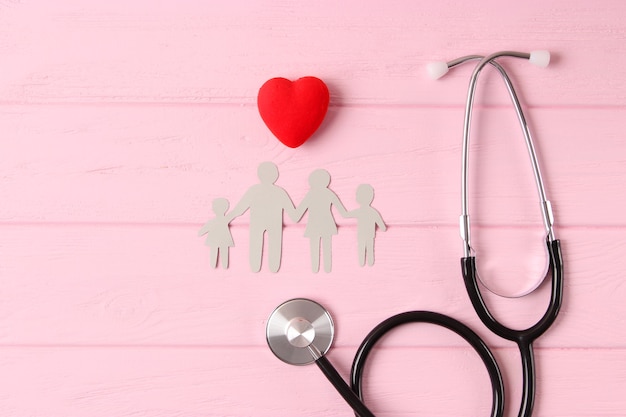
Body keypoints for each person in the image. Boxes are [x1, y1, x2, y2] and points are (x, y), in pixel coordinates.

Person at [228, 162, 297, 272]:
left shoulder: (254, 190)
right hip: (273, 224)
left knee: (257, 243)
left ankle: (258, 267)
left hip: (259, 223)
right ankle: (271, 267)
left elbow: (239, 209)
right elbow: (294, 215)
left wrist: (226, 218)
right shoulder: (279, 192)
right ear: (276, 175)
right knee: (274, 244)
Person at [294, 169, 348, 273]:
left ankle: (315, 268)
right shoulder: (329, 193)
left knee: (314, 247)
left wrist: (293, 215)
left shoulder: (311, 193)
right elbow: (342, 211)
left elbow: (299, 211)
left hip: (314, 224)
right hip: (327, 223)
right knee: (327, 247)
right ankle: (326, 269)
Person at [347, 184, 386, 266]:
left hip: (362, 235)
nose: (356, 197)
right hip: (369, 235)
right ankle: (369, 262)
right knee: (370, 249)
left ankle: (362, 263)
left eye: (357, 195)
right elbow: (382, 227)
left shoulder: (359, 211)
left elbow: (345, 215)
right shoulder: (373, 212)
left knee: (361, 249)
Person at [198, 198, 234, 269]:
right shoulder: (225, 219)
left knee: (215, 251)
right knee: (223, 251)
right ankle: (223, 265)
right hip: (224, 239)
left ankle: (216, 265)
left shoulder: (213, 221)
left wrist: (200, 232)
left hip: (215, 239)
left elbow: (203, 230)